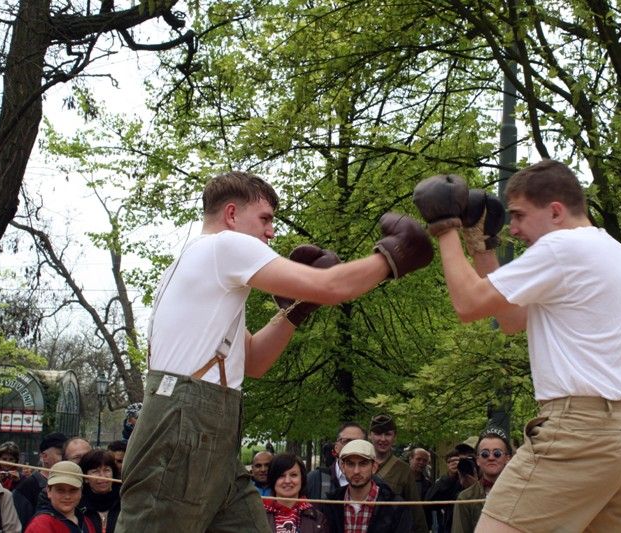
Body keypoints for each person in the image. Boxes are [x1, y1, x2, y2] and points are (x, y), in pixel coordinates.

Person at [117, 171, 432, 532]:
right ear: (232, 215)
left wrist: (297, 309)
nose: (271, 232)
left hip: (204, 434)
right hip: (184, 429)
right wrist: (393, 256)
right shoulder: (225, 245)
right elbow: (332, 286)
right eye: (265, 219)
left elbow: (253, 361)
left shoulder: (197, 266)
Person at [412, 161, 621, 532]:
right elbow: (512, 319)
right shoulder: (611, 250)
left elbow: (467, 304)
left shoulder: (562, 246)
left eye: (520, 215)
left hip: (580, 431)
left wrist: (445, 227)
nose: (514, 228)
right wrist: (482, 247)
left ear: (555, 211)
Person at [323, 439, 412, 533]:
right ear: (342, 467)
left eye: (363, 464)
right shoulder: (331, 504)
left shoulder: (395, 506)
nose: (356, 471)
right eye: (350, 464)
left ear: (374, 467)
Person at [368, 413, 428, 533]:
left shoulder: (404, 470)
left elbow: (416, 512)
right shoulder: (359, 464)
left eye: (388, 434)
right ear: (370, 436)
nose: (383, 439)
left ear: (394, 437)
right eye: (378, 434)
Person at [451, 429, 512, 533]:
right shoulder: (466, 498)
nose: (491, 458)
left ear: (508, 458)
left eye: (497, 453)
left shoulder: (523, 493)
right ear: (478, 460)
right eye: (485, 454)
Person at [12, 432, 67, 528]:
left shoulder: (71, 485)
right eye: (61, 454)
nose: (66, 459)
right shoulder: (26, 488)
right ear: (45, 456)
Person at [25, 461, 96, 533]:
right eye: (60, 490)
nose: (67, 496)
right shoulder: (40, 525)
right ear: (49, 491)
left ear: (81, 491)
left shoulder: (87, 522)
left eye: (73, 490)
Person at [263, 453, 328, 532]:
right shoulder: (257, 515)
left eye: (293, 475)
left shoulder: (318, 518)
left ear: (302, 478)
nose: (287, 481)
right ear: (272, 479)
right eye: (281, 475)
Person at [306, 422, 367, 500]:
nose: (352, 446)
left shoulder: (377, 485)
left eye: (358, 442)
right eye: (346, 441)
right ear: (336, 447)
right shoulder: (314, 480)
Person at [79, 450, 121, 533]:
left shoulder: (124, 502)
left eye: (107, 470)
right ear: (86, 478)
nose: (102, 476)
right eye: (95, 471)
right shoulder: (78, 505)